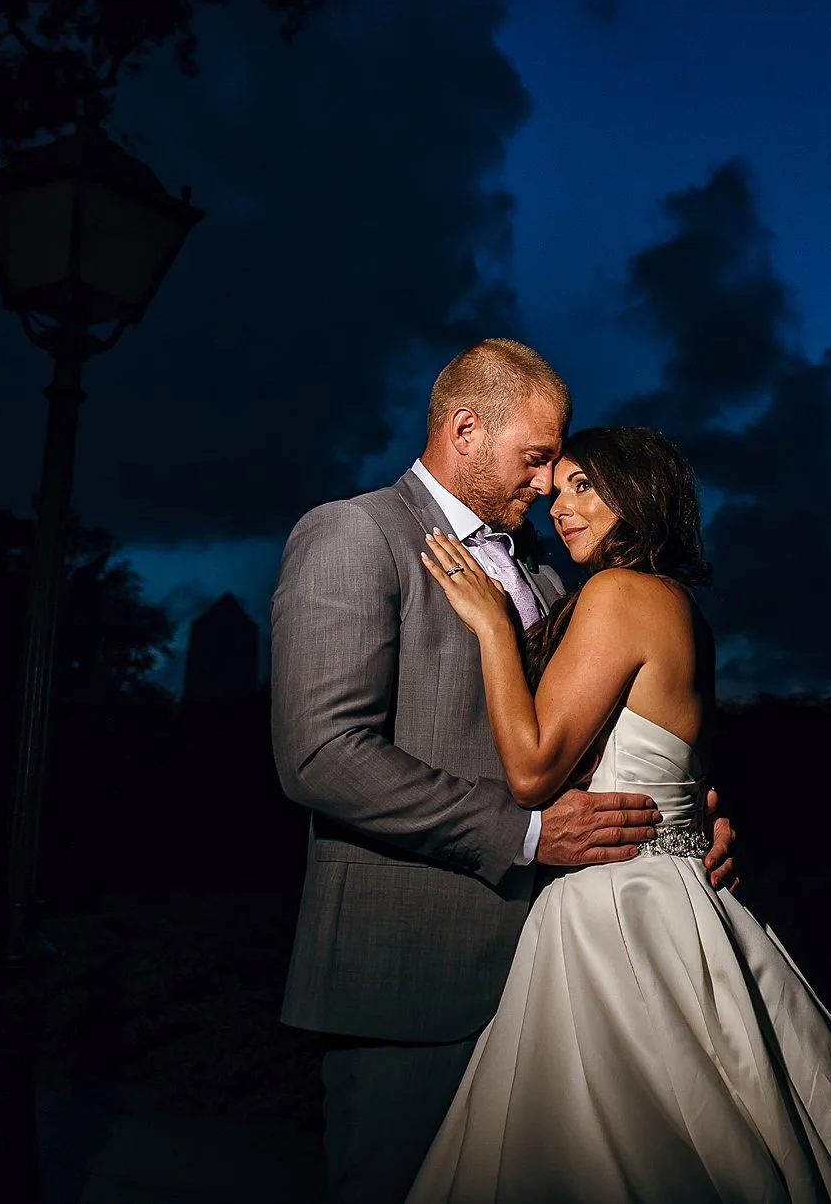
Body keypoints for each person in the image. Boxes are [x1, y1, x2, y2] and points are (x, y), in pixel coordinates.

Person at [405, 425, 831, 1204]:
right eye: (557, 487)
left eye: (583, 486)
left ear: (639, 494)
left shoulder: (617, 592)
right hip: (681, 897)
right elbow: (684, 768)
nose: (559, 507)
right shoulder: (680, 607)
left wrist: (495, 628)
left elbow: (534, 770)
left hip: (618, 910)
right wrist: (712, 821)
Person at [269, 339, 738, 1204]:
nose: (549, 479)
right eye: (536, 457)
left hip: (561, 972)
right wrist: (525, 831)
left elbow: (612, 728)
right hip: (412, 977)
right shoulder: (356, 531)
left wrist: (686, 816)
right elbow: (321, 752)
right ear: (464, 428)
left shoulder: (553, 580)